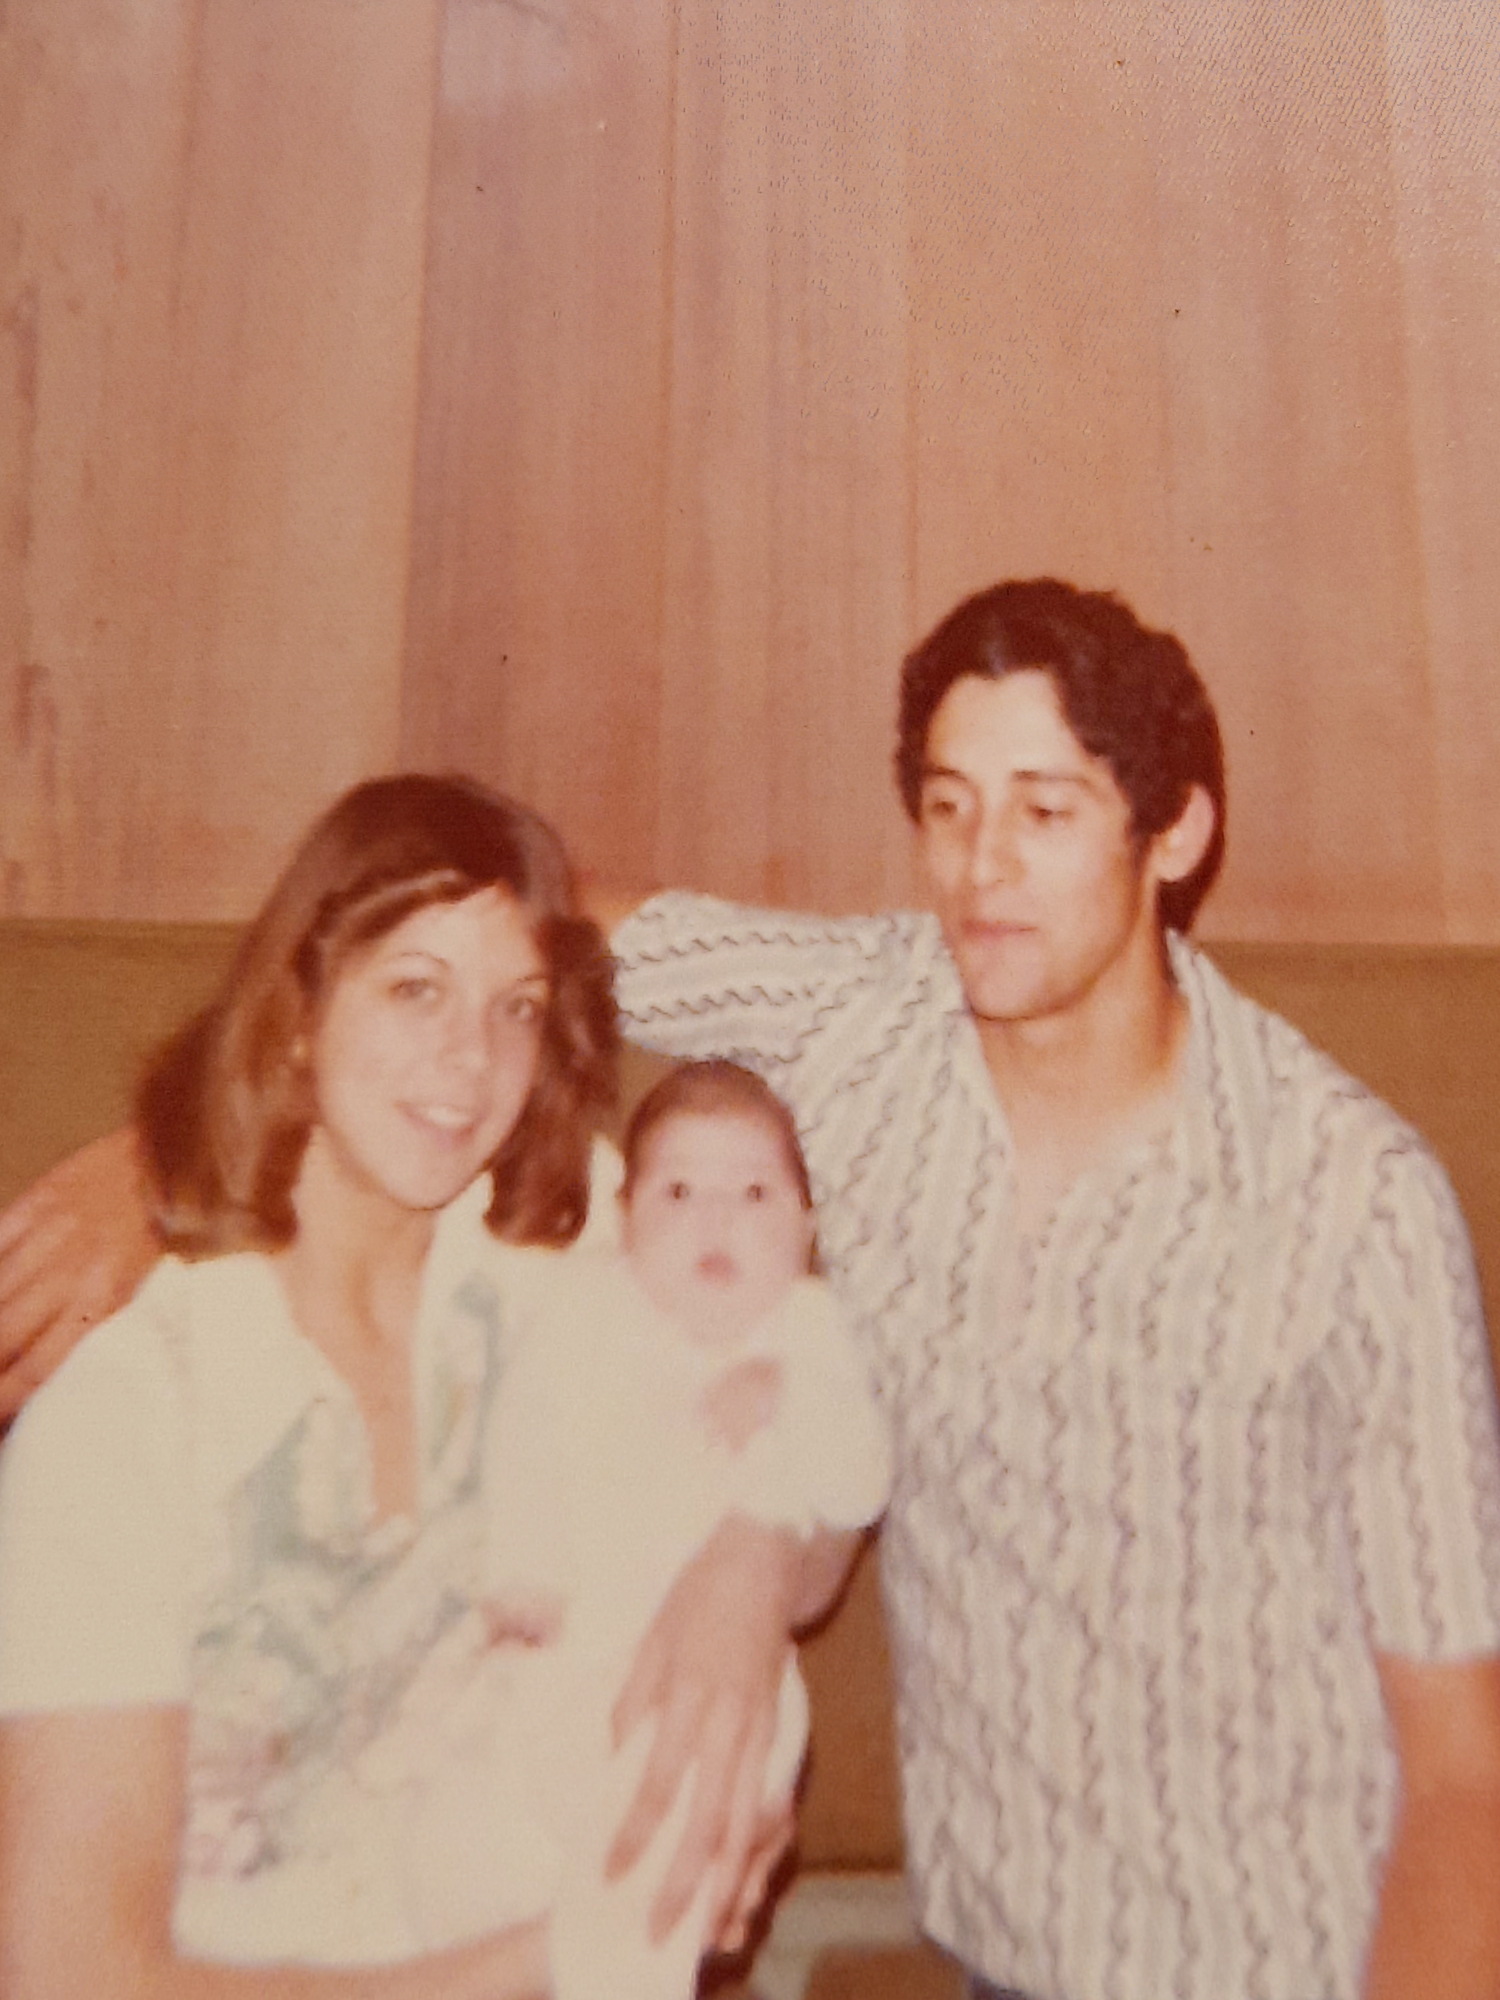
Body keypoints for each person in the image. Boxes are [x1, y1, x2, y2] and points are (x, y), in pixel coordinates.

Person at [8, 578, 1500, 1998]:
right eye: (948, 806)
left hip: (1305, 1955)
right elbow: (491, 912)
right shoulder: (862, 1026)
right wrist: (182, 1148)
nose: (981, 867)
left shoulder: (1354, 1205)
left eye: (1045, 812)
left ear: (1176, 833)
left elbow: (1465, 1775)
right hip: (1007, 1956)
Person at [0, 776, 802, 1997]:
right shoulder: (136, 1409)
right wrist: (566, 1955)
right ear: (300, 1013)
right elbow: (72, 1972)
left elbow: (799, 1398)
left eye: (515, 1006)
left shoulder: (567, 1248)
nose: (470, 1059)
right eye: (415, 988)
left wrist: (746, 1584)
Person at [402, 1059, 890, 2000]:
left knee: (672, 1851)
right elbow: (526, 1431)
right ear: (624, 1220)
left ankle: (623, 1974)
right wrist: (525, 1567)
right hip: (564, 1652)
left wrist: (791, 1405)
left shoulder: (809, 1332)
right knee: (461, 1830)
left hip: (718, 1692)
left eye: (754, 1194)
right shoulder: (588, 1308)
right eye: (678, 1192)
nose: (716, 1220)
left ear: (807, 1228)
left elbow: (860, 1481)